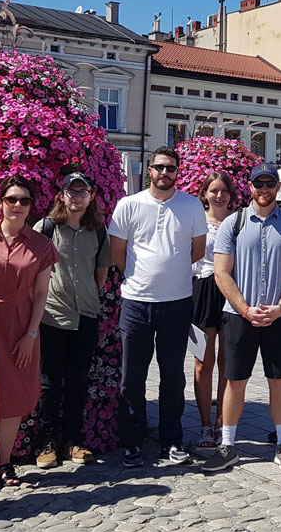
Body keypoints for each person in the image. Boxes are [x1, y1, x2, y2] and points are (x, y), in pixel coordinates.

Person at [202, 162, 281, 474]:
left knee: (279, 381)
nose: (264, 189)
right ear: (249, 187)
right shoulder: (233, 223)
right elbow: (221, 273)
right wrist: (245, 309)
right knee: (235, 380)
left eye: (270, 184)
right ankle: (228, 445)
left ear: (278, 187)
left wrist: (280, 307)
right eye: (258, 184)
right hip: (239, 315)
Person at [110, 147, 208, 468]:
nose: (165, 173)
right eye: (159, 167)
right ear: (149, 169)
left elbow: (196, 250)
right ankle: (133, 443)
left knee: (172, 377)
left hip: (176, 303)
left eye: (171, 168)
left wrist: (168, 272)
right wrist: (146, 278)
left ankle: (172, 440)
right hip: (136, 303)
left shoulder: (191, 205)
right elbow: (117, 254)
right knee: (132, 378)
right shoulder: (129, 205)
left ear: (178, 172)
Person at [0, 175, 58, 493]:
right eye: (12, 199)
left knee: (12, 394)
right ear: (0, 203)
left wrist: (31, 333)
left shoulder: (41, 245)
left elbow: (41, 293)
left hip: (21, 326)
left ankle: (5, 460)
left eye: (24, 200)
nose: (18, 205)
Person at [34, 172, 111, 469]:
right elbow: (34, 270)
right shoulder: (47, 227)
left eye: (83, 192)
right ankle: (47, 444)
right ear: (62, 195)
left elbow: (100, 273)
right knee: (50, 384)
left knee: (78, 382)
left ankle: (72, 441)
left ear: (91, 196)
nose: (77, 197)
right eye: (71, 191)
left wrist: (87, 296)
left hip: (86, 315)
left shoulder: (98, 231)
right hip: (53, 316)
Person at [191, 172, 237, 449]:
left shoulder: (238, 222)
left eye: (224, 191)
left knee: (227, 364)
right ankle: (205, 425)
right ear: (205, 194)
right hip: (201, 293)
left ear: (231, 194)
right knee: (201, 363)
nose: (219, 196)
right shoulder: (196, 221)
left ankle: (223, 423)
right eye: (213, 190)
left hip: (230, 292)